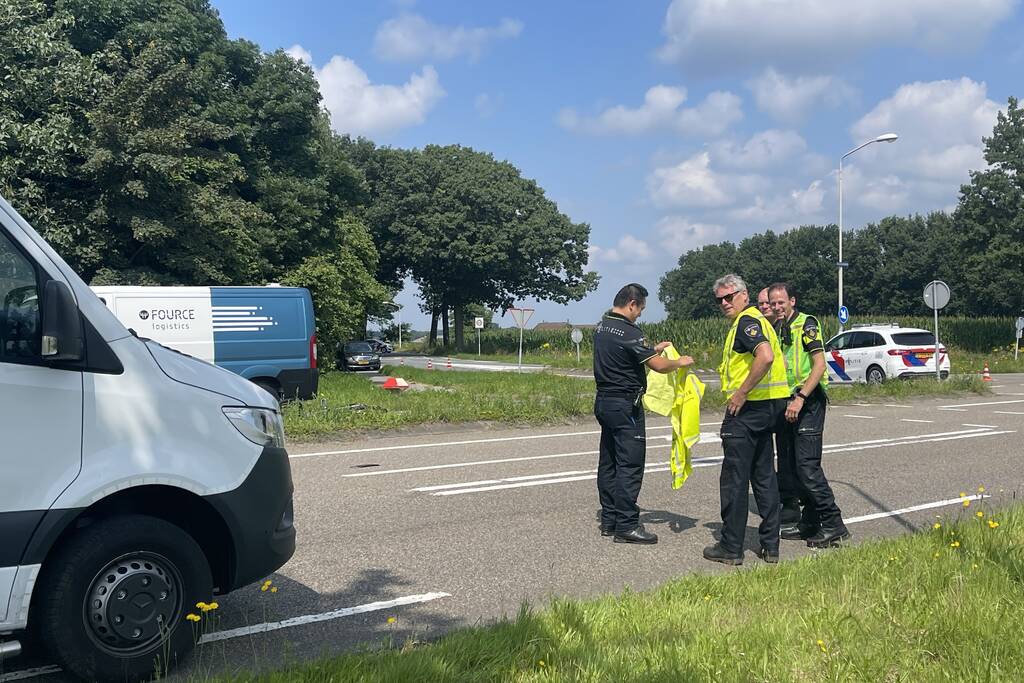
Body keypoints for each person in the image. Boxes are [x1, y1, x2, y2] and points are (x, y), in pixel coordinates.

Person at [593, 283, 694, 544]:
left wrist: (651, 350)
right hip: (626, 406)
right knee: (630, 465)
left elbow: (624, 356)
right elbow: (658, 366)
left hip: (604, 402)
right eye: (640, 309)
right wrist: (679, 362)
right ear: (632, 304)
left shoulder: (602, 326)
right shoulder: (629, 331)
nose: (640, 314)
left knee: (609, 462)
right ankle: (627, 526)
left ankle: (610, 520)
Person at [704, 274, 789, 565]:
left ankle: (731, 547)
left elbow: (765, 357)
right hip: (768, 408)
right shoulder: (761, 321)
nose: (724, 303)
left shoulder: (746, 322)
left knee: (734, 480)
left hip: (747, 411)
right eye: (719, 299)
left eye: (730, 297)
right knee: (764, 477)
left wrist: (741, 393)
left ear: (744, 295)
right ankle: (771, 546)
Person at [768, 282, 850, 547]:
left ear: (792, 301)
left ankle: (834, 523)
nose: (777, 307)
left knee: (807, 467)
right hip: (788, 401)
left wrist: (801, 397)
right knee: (792, 468)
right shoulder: (778, 328)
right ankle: (810, 521)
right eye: (773, 303)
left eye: (781, 302)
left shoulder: (807, 324)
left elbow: (819, 365)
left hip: (808, 401)